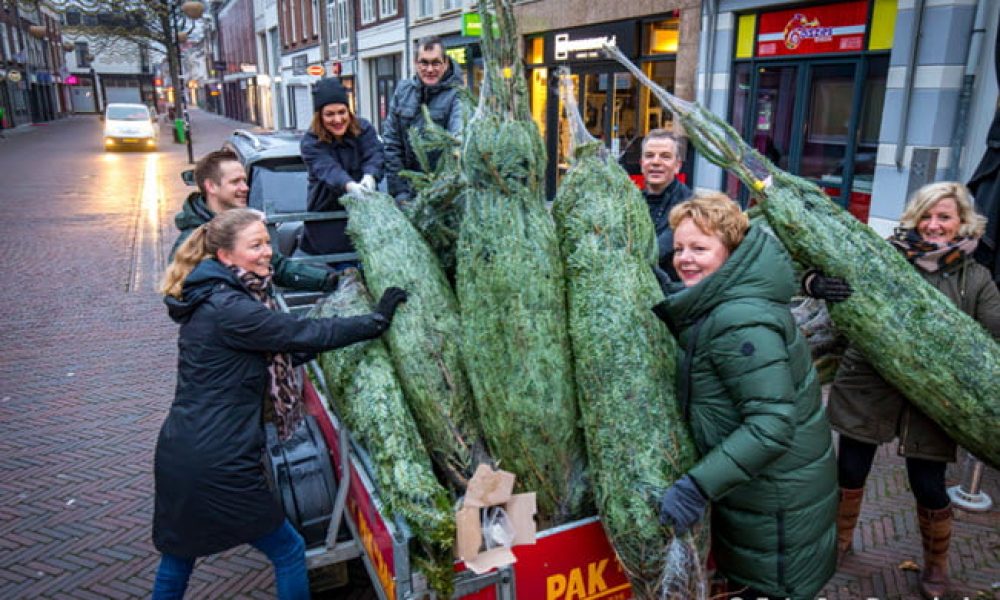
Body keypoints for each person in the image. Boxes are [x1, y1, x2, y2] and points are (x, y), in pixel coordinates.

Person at [153, 208, 407, 599]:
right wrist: (374, 321)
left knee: (179, 555)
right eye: (255, 245)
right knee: (289, 550)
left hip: (182, 449)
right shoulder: (232, 309)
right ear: (225, 256)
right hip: (218, 459)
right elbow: (301, 334)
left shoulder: (217, 297)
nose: (267, 252)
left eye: (267, 242)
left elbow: (273, 352)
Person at [806, 181, 1000, 599]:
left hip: (934, 399)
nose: (933, 225)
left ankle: (935, 567)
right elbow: (812, 269)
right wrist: (815, 285)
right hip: (870, 386)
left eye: (944, 217)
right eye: (926, 215)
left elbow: (993, 330)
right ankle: (839, 544)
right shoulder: (882, 257)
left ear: (962, 223)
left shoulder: (976, 277)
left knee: (928, 483)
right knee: (850, 471)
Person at [651, 192, 837, 600]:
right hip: (766, 494)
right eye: (680, 248)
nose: (685, 258)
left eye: (700, 248)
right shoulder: (725, 302)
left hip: (777, 512)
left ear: (731, 252)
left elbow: (771, 427)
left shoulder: (740, 319)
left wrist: (696, 487)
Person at [170, 149, 336, 292]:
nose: (246, 188)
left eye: (244, 180)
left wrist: (330, 280)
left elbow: (278, 267)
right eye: (236, 182)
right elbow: (182, 292)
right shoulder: (192, 240)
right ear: (211, 186)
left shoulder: (240, 223)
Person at [299, 78, 384, 263]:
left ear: (349, 110)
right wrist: (349, 185)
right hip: (328, 229)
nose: (337, 120)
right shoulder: (311, 142)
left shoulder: (364, 129)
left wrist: (370, 176)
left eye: (341, 112)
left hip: (366, 225)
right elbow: (328, 169)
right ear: (319, 116)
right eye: (329, 114)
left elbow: (375, 154)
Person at [382, 36, 464, 205]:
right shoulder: (402, 91)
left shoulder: (457, 95)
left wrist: (443, 192)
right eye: (424, 63)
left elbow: (457, 140)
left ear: (446, 63)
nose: (429, 69)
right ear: (415, 63)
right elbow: (392, 144)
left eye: (436, 63)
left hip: (443, 195)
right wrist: (400, 193)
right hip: (407, 193)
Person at [640, 129, 693, 280]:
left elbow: (656, 252)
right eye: (649, 156)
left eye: (665, 156)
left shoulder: (689, 206)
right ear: (642, 163)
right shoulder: (632, 202)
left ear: (677, 166)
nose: (656, 162)